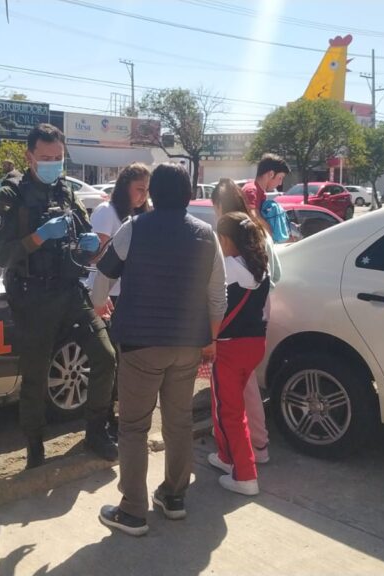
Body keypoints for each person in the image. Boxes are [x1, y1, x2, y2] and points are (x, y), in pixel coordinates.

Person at [92, 163, 227, 536]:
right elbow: (218, 294)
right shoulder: (206, 235)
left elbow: (104, 275)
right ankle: (174, 496)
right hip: (188, 346)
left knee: (133, 427)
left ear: (153, 193)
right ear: (188, 195)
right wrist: (211, 339)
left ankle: (132, 511)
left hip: (141, 344)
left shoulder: (133, 229)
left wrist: (100, 305)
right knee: (178, 422)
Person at [0, 123, 117, 469]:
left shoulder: (66, 191)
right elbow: (2, 255)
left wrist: (92, 246)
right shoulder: (10, 196)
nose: (53, 164)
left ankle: (96, 430)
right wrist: (39, 237)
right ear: (29, 156)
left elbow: (85, 238)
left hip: (69, 290)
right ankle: (34, 446)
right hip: (34, 297)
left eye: (58, 158)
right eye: (46, 158)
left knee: (105, 356)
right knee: (35, 375)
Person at [211, 179, 280, 465]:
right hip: (257, 326)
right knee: (244, 392)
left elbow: (215, 296)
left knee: (231, 404)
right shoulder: (258, 232)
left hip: (233, 333)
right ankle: (255, 447)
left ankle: (242, 458)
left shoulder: (229, 252)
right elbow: (274, 274)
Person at [207, 212, 271, 496]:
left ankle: (245, 475)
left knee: (230, 411)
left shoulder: (228, 267)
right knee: (230, 405)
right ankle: (226, 457)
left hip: (229, 347)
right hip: (254, 345)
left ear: (225, 239)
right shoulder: (260, 267)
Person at [88, 162, 152, 318]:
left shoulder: (141, 216)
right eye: (139, 189)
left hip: (129, 294)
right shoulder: (106, 211)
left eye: (147, 191)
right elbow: (96, 256)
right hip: (105, 295)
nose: (144, 196)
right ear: (125, 187)